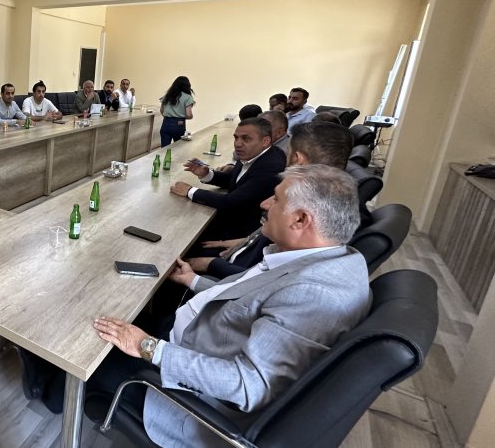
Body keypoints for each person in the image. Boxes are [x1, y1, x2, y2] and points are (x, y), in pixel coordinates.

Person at [82, 165, 371, 448]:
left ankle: (63, 400)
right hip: (196, 335)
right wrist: (193, 281)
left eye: (276, 198)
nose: (265, 203)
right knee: (112, 317)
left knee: (85, 352)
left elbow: (247, 385)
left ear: (300, 219)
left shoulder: (314, 294)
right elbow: (250, 300)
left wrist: (147, 347)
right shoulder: (324, 257)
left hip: (186, 394)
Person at [185, 120, 358, 278]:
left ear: (297, 159)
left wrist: (211, 265)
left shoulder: (310, 199)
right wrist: (245, 242)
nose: (265, 205)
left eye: (288, 152)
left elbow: (267, 276)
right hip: (245, 247)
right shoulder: (340, 197)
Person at [171, 118, 286, 241]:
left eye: (246, 139)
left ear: (265, 141)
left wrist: (190, 191)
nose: (238, 144)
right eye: (236, 138)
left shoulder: (271, 166)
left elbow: (231, 202)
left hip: (237, 233)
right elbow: (239, 180)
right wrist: (208, 175)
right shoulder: (254, 153)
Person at [159, 76, 195, 147]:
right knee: (178, 149)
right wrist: (180, 115)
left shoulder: (167, 96)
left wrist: (170, 115)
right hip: (179, 124)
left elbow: (162, 111)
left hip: (166, 123)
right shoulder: (187, 97)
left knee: (164, 149)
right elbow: (188, 115)